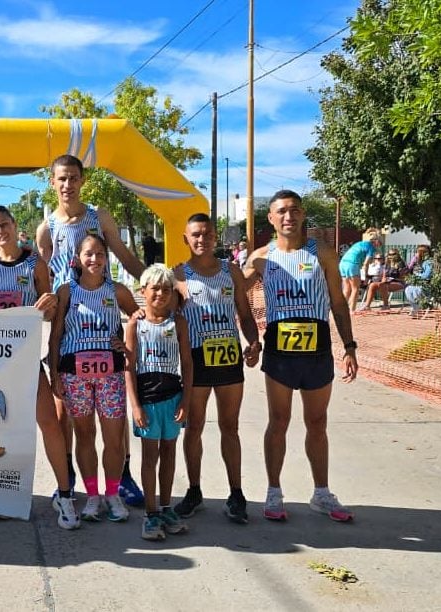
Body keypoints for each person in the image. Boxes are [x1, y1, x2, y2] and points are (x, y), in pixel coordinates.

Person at [35, 154, 147, 507]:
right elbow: (43, 276)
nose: (67, 185)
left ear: (82, 180)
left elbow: (125, 257)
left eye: (73, 178)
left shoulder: (99, 218)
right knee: (65, 411)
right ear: (52, 183)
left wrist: (158, 283)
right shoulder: (47, 227)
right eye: (61, 179)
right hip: (66, 325)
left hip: (103, 316)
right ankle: (68, 480)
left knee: (114, 414)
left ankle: (122, 476)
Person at [244, 190, 358, 523]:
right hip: (280, 351)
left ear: (303, 213)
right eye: (281, 211)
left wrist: (349, 346)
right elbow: (237, 294)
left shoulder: (321, 253)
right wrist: (251, 338)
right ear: (271, 218)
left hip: (317, 349)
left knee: (317, 422)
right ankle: (274, 492)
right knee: (278, 421)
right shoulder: (261, 258)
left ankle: (321, 493)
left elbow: (338, 302)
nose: (288, 217)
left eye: (294, 210)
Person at [0, 205, 79, 530]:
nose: (0, 231)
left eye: (4, 224)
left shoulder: (36, 264)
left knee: (49, 424)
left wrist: (45, 309)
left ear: (15, 225)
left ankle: (65, 495)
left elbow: (50, 312)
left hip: (27, 360)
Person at [172, 214, 261, 524]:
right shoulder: (178, 275)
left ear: (215, 238)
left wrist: (254, 342)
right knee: (193, 427)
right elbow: (167, 318)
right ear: (186, 238)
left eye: (207, 234)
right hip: (196, 359)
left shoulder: (231, 272)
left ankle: (236, 493)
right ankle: (194, 491)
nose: (202, 239)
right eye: (195, 234)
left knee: (229, 426)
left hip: (228, 358)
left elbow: (246, 316)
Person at [49, 234, 141, 524]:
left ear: (106, 258)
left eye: (100, 253)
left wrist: (126, 346)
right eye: (89, 253)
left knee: (114, 438)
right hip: (74, 375)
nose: (95, 259)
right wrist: (54, 374)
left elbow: (141, 317)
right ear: (77, 257)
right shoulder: (66, 292)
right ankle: (92, 496)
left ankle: (112, 494)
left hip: (110, 375)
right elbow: (55, 337)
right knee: (85, 435)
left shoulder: (118, 291)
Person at [125, 265, 192, 540]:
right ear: (143, 292)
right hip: (147, 400)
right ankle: (150, 514)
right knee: (150, 457)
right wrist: (136, 406)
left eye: (166, 289)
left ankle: (166, 507)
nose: (161, 294)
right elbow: (129, 367)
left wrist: (185, 401)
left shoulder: (178, 322)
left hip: (172, 397)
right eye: (155, 289)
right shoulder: (134, 324)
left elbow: (187, 364)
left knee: (169, 454)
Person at [339, 228, 381, 311]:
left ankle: (341, 310)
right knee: (355, 288)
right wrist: (365, 277)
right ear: (375, 241)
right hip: (352, 264)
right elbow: (366, 264)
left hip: (342, 263)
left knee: (347, 289)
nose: (379, 245)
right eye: (380, 243)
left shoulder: (360, 243)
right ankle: (352, 310)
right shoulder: (371, 248)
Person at [404, 245, 433, 317]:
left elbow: (427, 276)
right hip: (419, 283)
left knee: (418, 290)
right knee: (408, 289)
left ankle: (420, 308)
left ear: (421, 253)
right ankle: (416, 307)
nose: (415, 254)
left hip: (428, 285)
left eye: (417, 252)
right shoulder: (419, 262)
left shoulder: (429, 263)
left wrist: (417, 275)